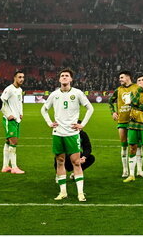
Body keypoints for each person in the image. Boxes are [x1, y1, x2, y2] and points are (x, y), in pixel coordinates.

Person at [40, 68, 94, 201]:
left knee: (76, 162)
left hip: (72, 133)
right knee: (60, 162)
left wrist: (82, 124)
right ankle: (63, 192)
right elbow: (44, 109)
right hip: (58, 133)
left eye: (67, 76)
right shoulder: (54, 94)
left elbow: (90, 108)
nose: (64, 77)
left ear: (71, 79)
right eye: (62, 76)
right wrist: (49, 122)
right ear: (59, 79)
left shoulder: (77, 93)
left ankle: (80, 193)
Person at [110, 71, 140, 178]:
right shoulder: (118, 90)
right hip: (122, 121)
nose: (120, 79)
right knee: (124, 146)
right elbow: (110, 101)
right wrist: (113, 112)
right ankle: (125, 170)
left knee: (135, 145)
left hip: (134, 121)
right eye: (119, 78)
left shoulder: (137, 88)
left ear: (128, 77)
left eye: (122, 77)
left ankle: (138, 170)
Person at [0, 70, 26, 174]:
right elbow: (1, 102)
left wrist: (21, 112)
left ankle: (5, 166)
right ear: (14, 78)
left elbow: (20, 102)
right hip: (10, 120)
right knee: (14, 142)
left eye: (23, 77)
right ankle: (14, 168)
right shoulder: (9, 89)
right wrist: (8, 114)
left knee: (8, 142)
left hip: (17, 119)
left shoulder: (19, 89)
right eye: (19, 77)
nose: (22, 79)